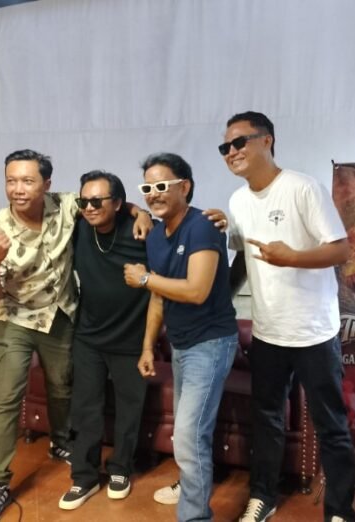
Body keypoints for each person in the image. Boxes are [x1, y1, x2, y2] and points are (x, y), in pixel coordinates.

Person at [0, 149, 151, 522]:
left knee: (64, 389)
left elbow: (108, 202)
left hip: (60, 315)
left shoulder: (68, 205)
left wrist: (142, 213)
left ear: (47, 184)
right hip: (15, 319)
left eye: (27, 181)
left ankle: (60, 442)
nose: (18, 189)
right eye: (11, 181)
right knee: (5, 399)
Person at [221, 111, 355, 522]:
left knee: (330, 423)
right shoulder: (238, 201)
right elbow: (243, 258)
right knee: (266, 419)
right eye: (225, 147)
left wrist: (293, 257)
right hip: (268, 333)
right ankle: (263, 496)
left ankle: (339, 511)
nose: (231, 152)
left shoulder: (303, 188)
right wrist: (221, 299)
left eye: (239, 142)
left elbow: (340, 249)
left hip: (314, 332)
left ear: (267, 140)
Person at [125, 152, 238, 522]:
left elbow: (197, 290)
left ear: (184, 186)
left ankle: (194, 515)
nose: (153, 194)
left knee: (189, 436)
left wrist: (145, 278)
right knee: (188, 434)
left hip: (211, 343)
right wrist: (147, 346)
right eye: (147, 188)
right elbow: (159, 297)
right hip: (180, 344)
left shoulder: (203, 226)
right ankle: (191, 490)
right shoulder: (156, 236)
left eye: (162, 185)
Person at [58, 171, 151, 509]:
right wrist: (139, 209)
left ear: (118, 203)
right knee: (86, 408)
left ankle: (121, 469)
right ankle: (83, 477)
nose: (89, 207)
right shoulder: (80, 227)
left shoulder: (141, 231)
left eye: (97, 201)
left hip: (131, 338)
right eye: (84, 201)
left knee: (129, 408)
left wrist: (142, 213)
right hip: (89, 336)